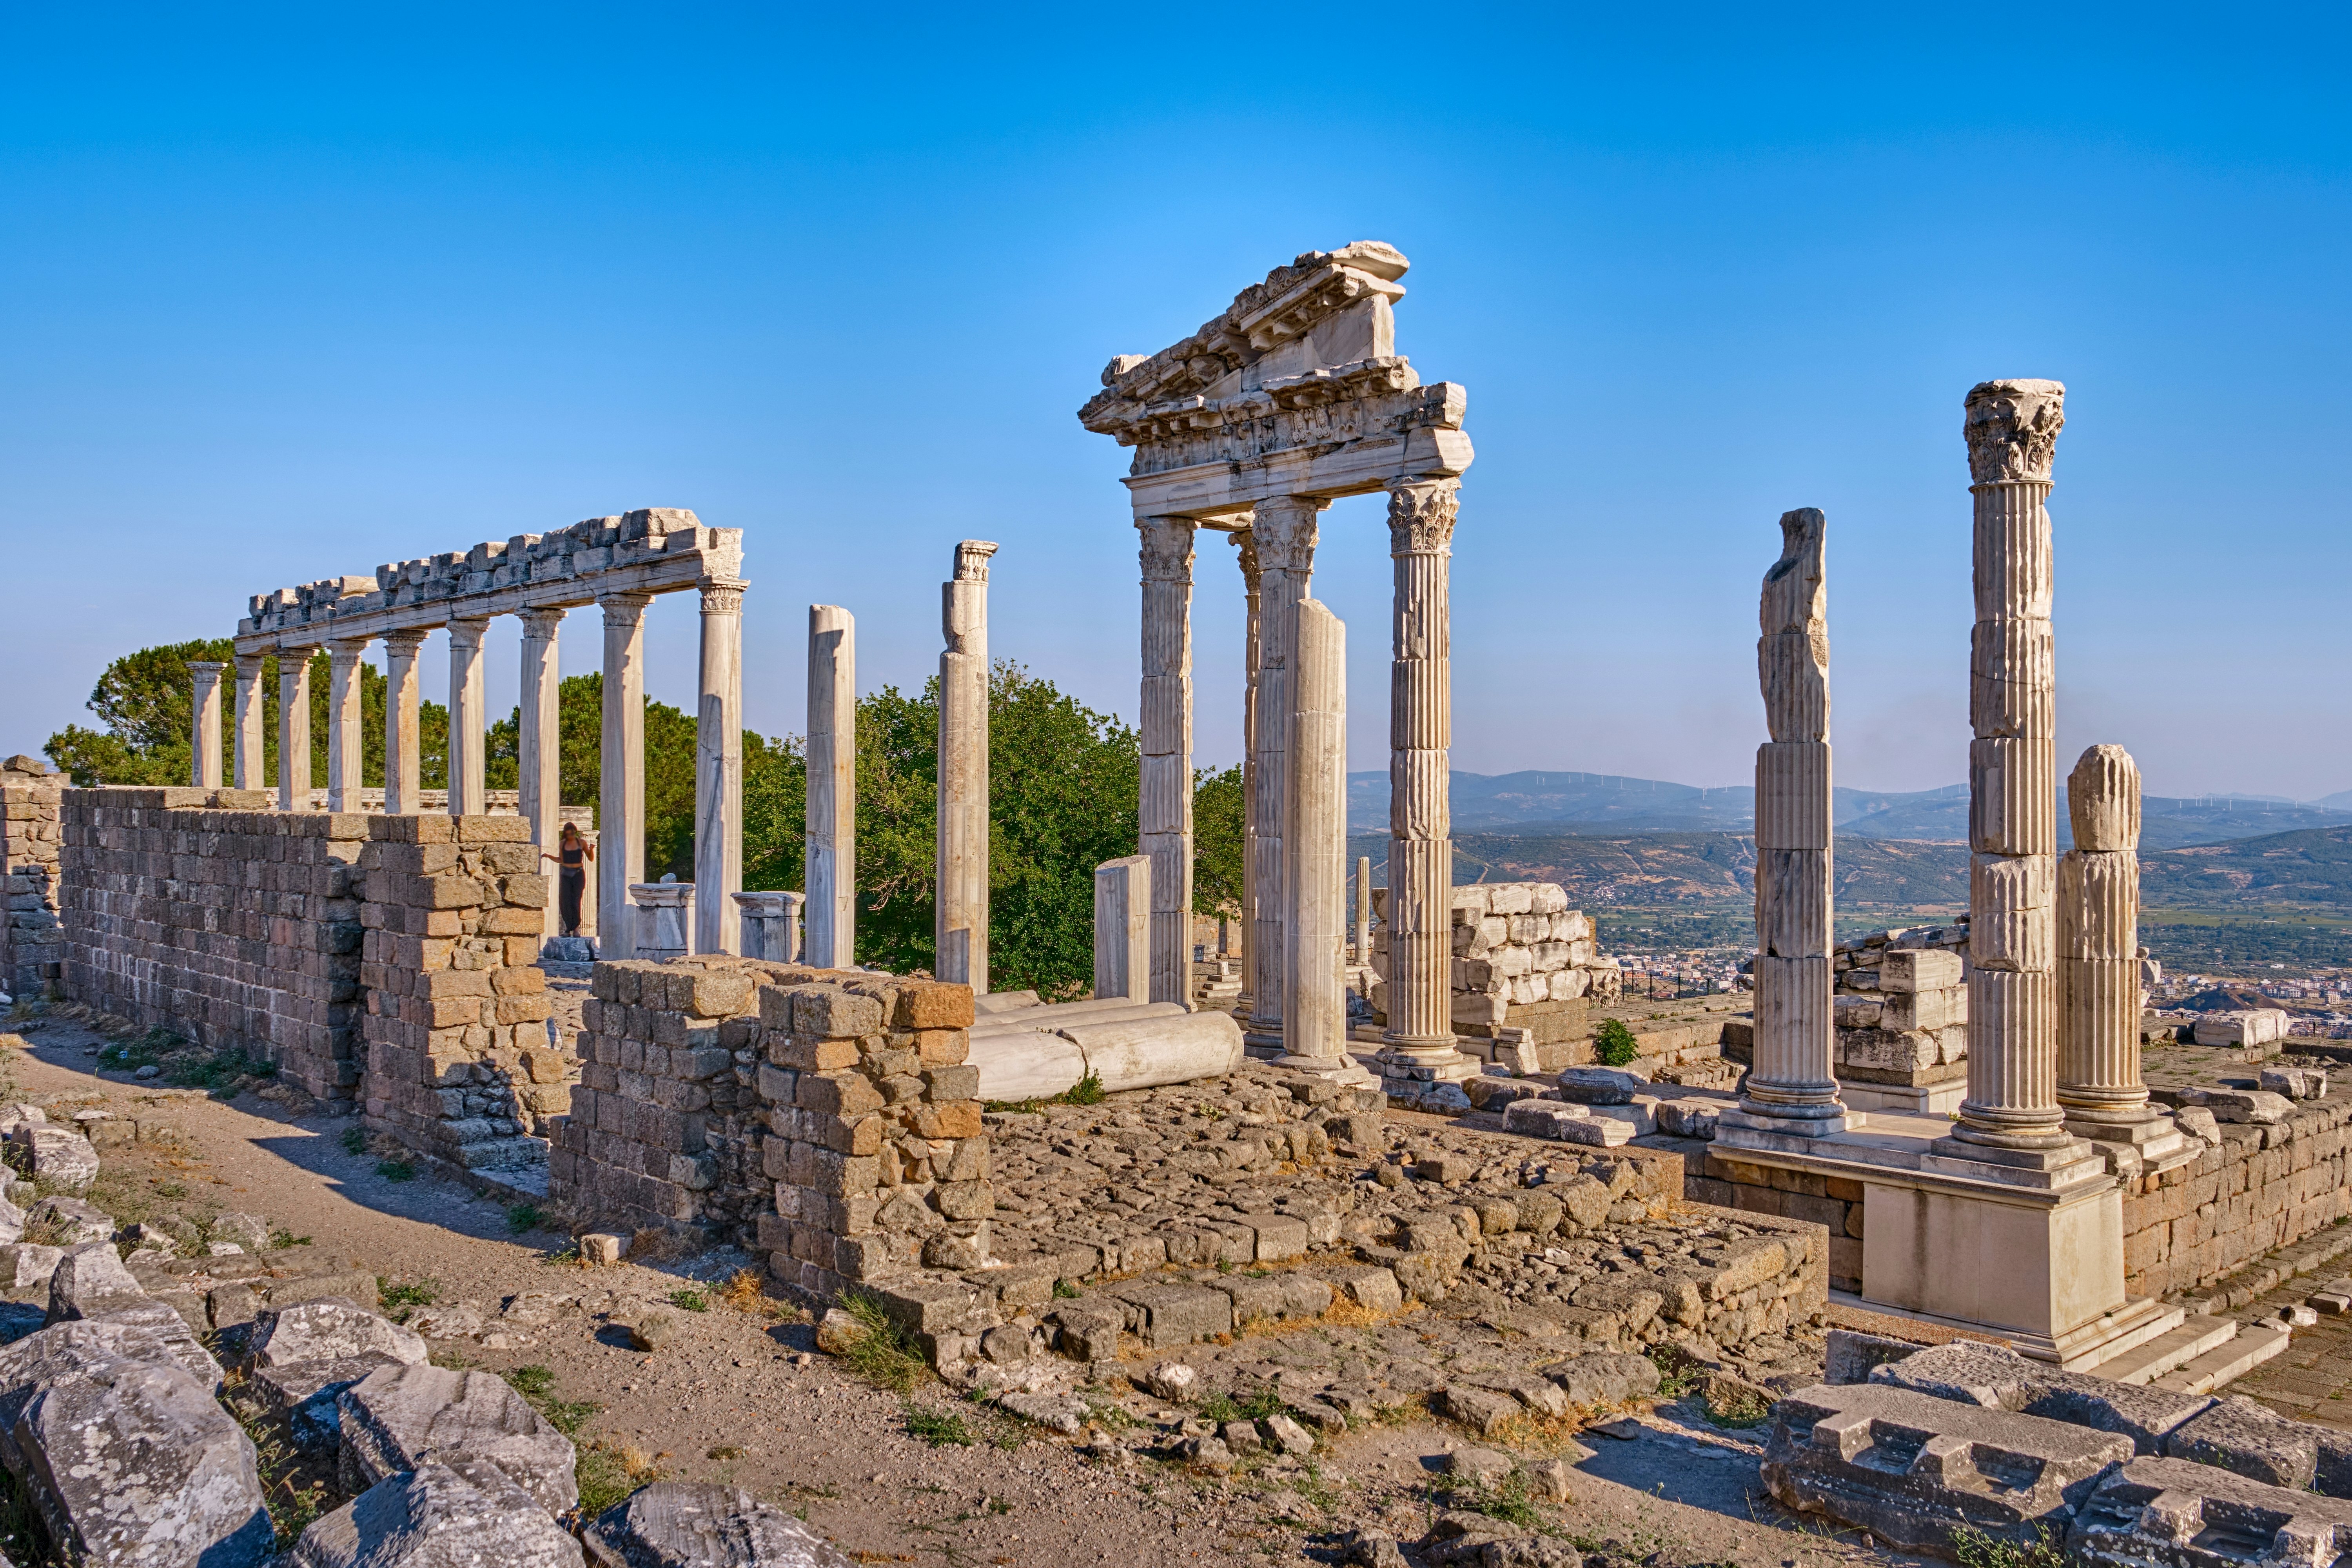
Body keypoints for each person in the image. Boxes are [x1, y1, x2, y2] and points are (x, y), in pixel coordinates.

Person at [544, 823, 592, 936]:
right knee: (565, 902)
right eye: (568, 832)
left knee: (576, 902)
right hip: (566, 874)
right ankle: (568, 928)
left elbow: (590, 858)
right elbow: (561, 860)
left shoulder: (582, 843)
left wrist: (591, 850)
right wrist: (549, 856)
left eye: (572, 832)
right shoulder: (563, 844)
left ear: (575, 832)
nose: (570, 834)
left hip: (578, 874)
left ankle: (576, 929)